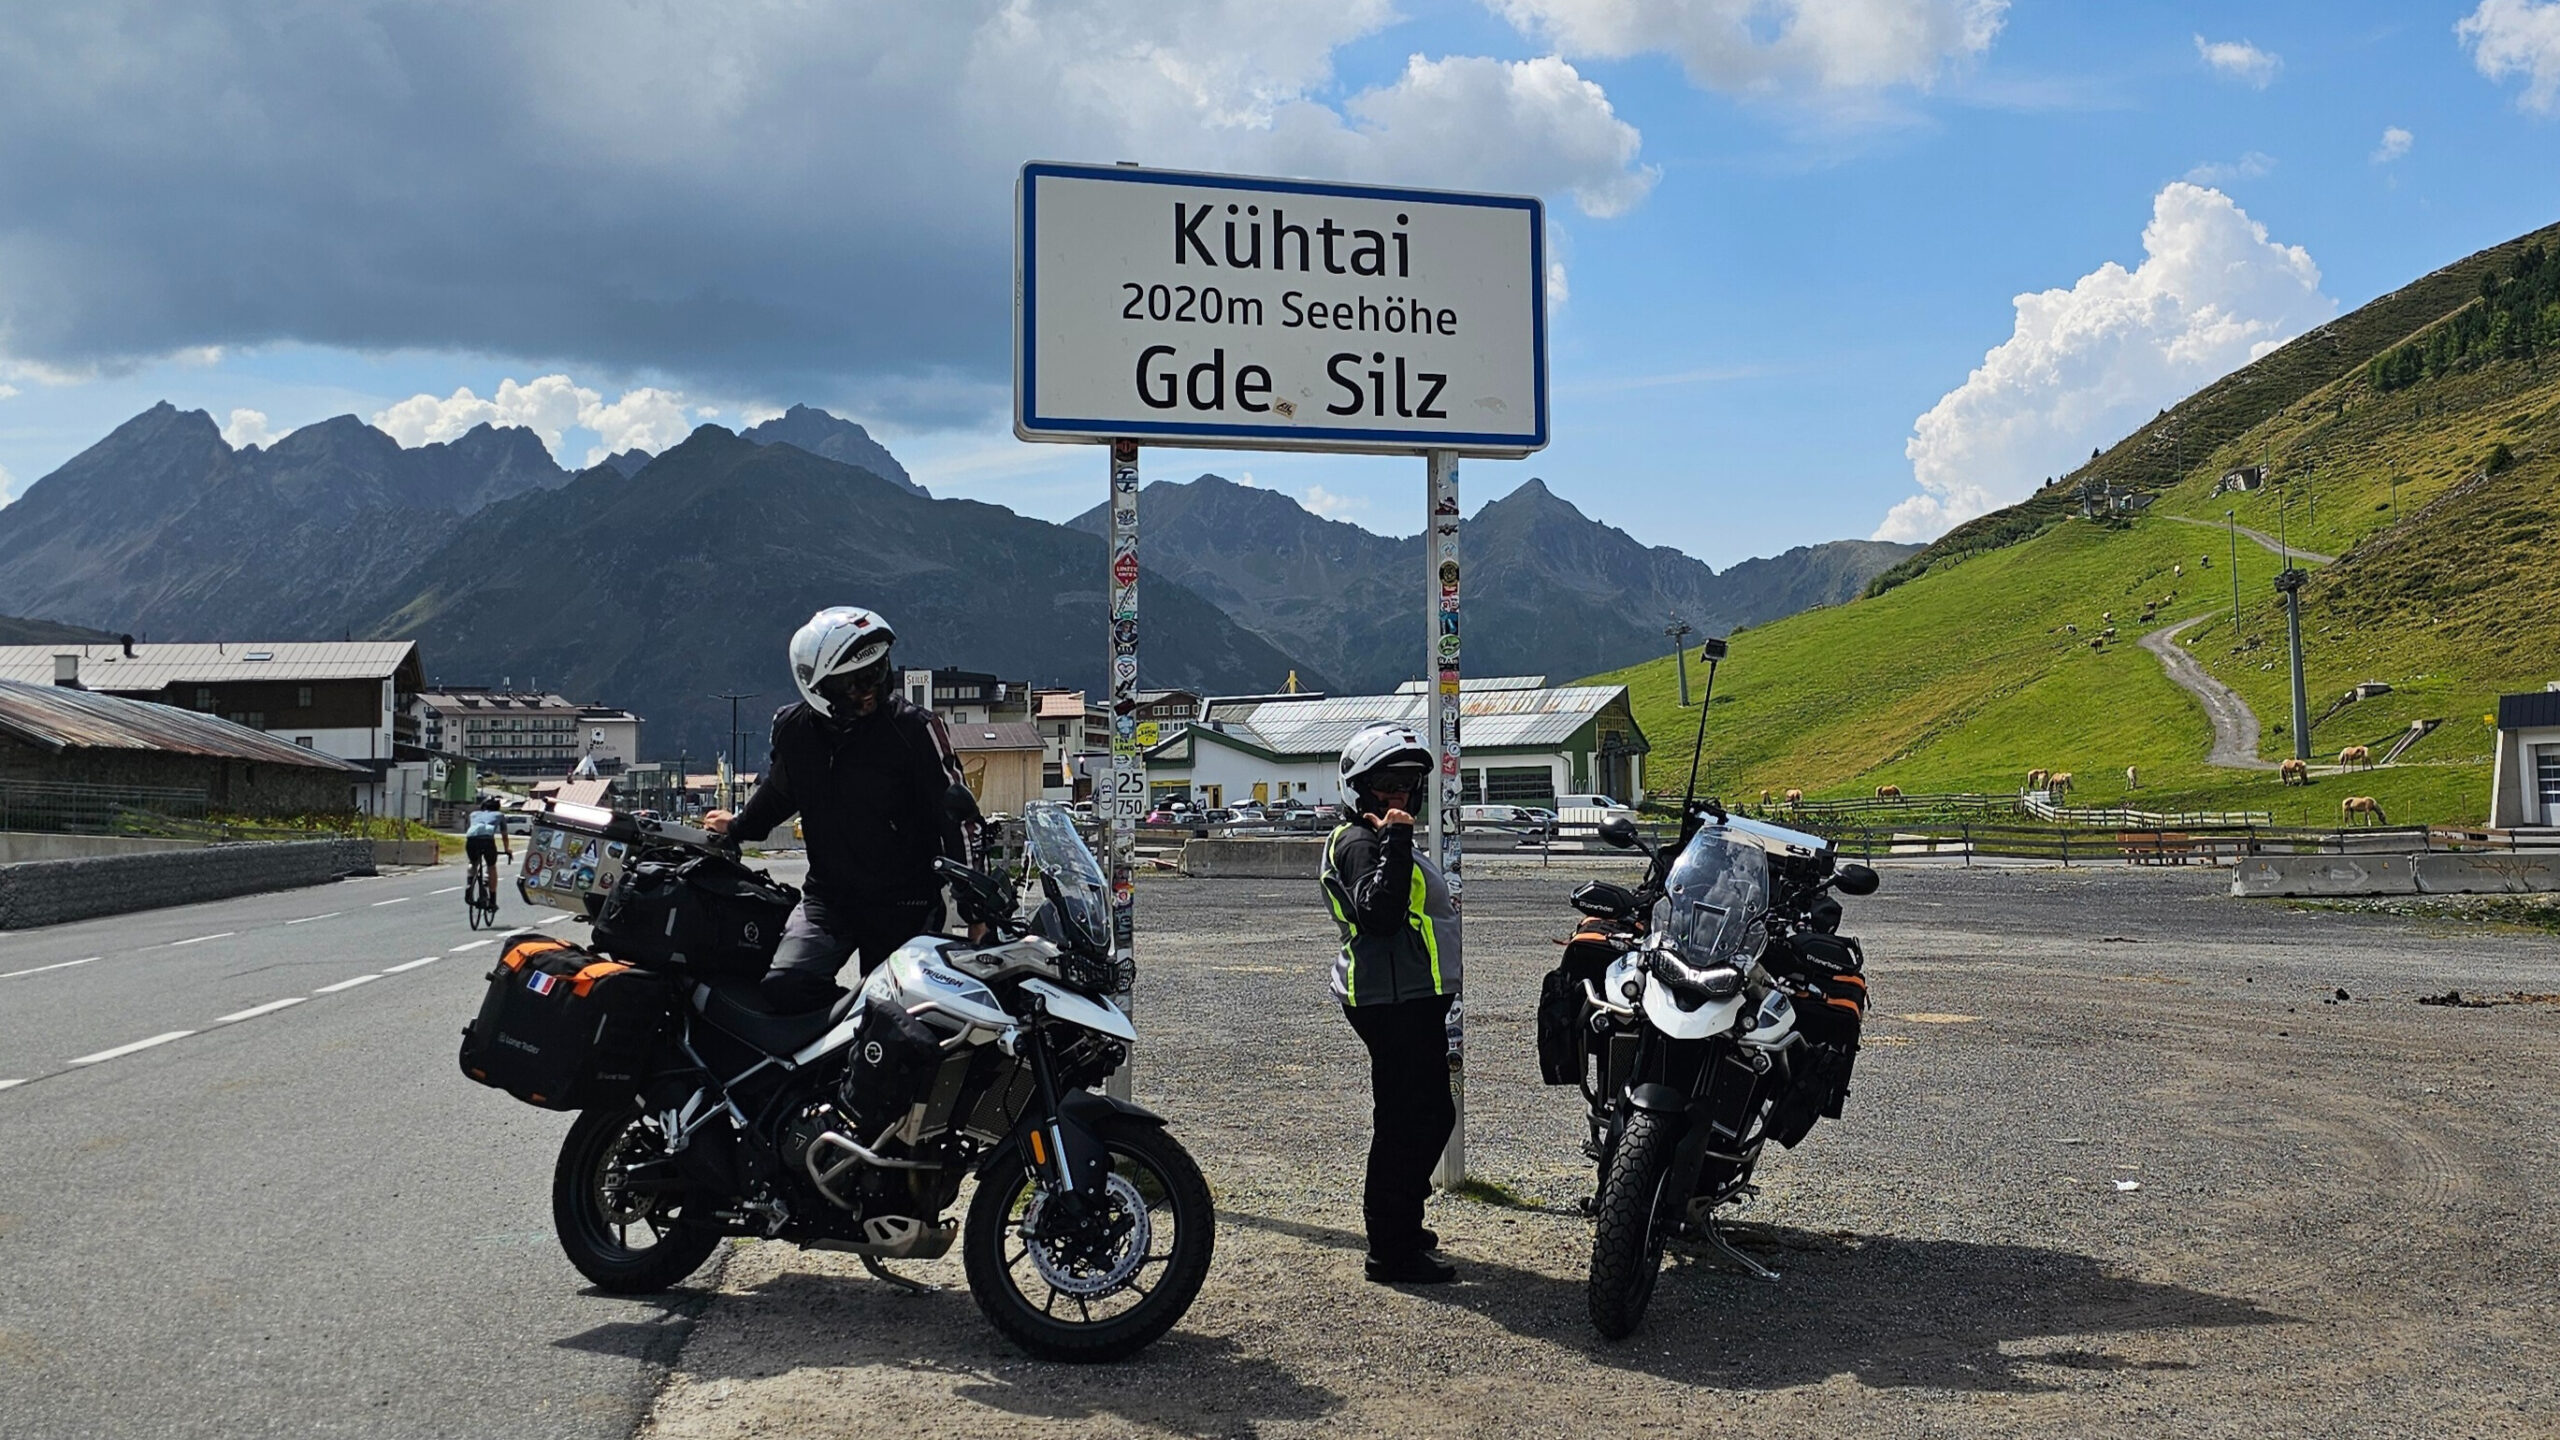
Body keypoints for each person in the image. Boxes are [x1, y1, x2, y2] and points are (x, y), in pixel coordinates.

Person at [704, 606, 977, 1013]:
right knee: (784, 986)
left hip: (906, 904)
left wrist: (976, 910)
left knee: (900, 1010)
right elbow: (781, 792)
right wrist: (738, 827)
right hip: (828, 898)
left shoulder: (917, 730)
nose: (869, 688)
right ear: (816, 684)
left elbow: (957, 820)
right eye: (854, 681)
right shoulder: (794, 731)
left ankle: (870, 1032)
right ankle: (849, 1037)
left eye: (878, 672)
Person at [1319, 720, 1462, 1285]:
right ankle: (1390, 1247)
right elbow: (1377, 914)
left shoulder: (1380, 838)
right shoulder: (1360, 841)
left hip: (1409, 998)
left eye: (1407, 783)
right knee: (1410, 1121)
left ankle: (1401, 1228)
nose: (1398, 793)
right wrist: (1398, 839)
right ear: (1360, 788)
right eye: (1386, 783)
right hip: (1389, 1000)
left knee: (1422, 1117)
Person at [463, 797, 510, 900]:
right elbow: (504, 836)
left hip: (471, 840)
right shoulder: (500, 815)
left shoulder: (473, 814)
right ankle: (492, 899)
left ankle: (469, 884)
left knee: (473, 862)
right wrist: (507, 849)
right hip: (487, 840)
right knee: (491, 866)